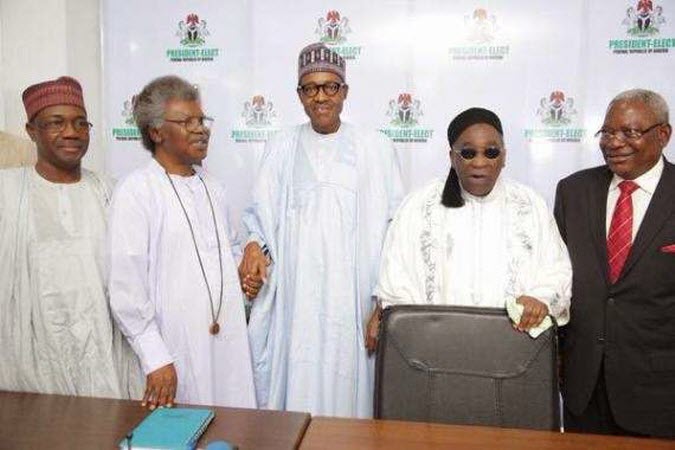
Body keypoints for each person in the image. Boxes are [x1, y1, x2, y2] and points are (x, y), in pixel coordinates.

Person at [240, 43, 403, 418]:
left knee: (351, 399)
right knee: (297, 388)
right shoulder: (281, 145)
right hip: (296, 302)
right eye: (310, 88)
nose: (320, 97)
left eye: (330, 86)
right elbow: (260, 217)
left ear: (344, 91)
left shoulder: (376, 147)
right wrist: (252, 245)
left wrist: (383, 304)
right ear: (299, 95)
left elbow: (396, 229)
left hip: (355, 303)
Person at [108, 75, 256, 410]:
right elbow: (126, 288)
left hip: (228, 344)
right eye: (187, 122)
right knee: (183, 428)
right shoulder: (136, 191)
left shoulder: (212, 186)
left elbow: (227, 250)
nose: (200, 129)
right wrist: (155, 357)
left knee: (233, 426)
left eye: (202, 120)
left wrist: (245, 272)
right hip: (173, 348)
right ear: (156, 132)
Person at [370, 107, 571, 344]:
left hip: (514, 347)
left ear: (504, 156)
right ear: (452, 157)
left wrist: (540, 299)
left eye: (491, 152)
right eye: (468, 153)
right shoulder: (418, 206)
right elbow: (396, 277)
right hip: (433, 347)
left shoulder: (531, 205)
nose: (480, 162)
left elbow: (556, 269)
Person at [0, 76, 141, 398]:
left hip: (106, 358)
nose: (71, 132)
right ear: (31, 131)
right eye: (56, 123)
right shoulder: (7, 192)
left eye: (81, 123)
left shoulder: (111, 191)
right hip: (30, 362)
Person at [554, 89, 675, 438]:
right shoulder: (573, 191)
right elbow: (556, 278)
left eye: (629, 132)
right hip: (583, 389)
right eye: (607, 132)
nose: (614, 142)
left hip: (660, 392)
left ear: (663, 135)